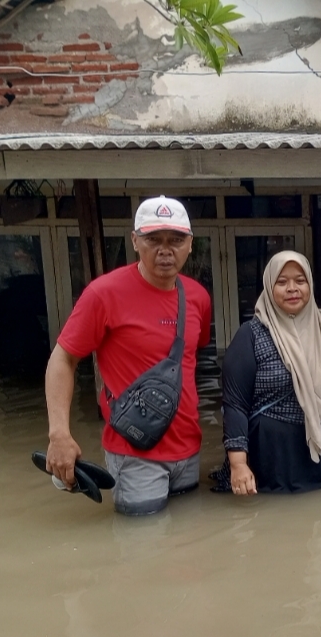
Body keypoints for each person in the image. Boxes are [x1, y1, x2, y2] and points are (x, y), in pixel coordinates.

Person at [45, 195, 212, 515]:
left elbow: (192, 359)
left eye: (176, 240)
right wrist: (59, 434)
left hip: (189, 451)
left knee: (189, 548)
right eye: (154, 239)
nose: (166, 249)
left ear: (190, 244)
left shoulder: (198, 298)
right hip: (135, 454)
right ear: (135, 241)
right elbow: (62, 359)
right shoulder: (103, 294)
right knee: (141, 547)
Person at [212, 251, 321, 494]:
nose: (292, 288)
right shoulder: (250, 336)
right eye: (281, 282)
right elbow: (235, 405)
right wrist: (238, 465)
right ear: (269, 287)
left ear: (310, 284)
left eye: (300, 281)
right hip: (271, 467)